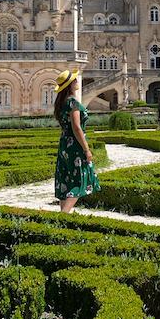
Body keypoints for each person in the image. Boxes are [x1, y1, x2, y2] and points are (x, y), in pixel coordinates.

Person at [53, 69, 100, 213]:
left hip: (65, 144)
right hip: (75, 145)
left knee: (66, 179)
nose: (77, 81)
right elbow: (77, 128)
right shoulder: (72, 102)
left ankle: (63, 218)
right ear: (70, 84)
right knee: (80, 180)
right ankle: (63, 215)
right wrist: (86, 149)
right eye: (74, 80)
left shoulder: (61, 103)